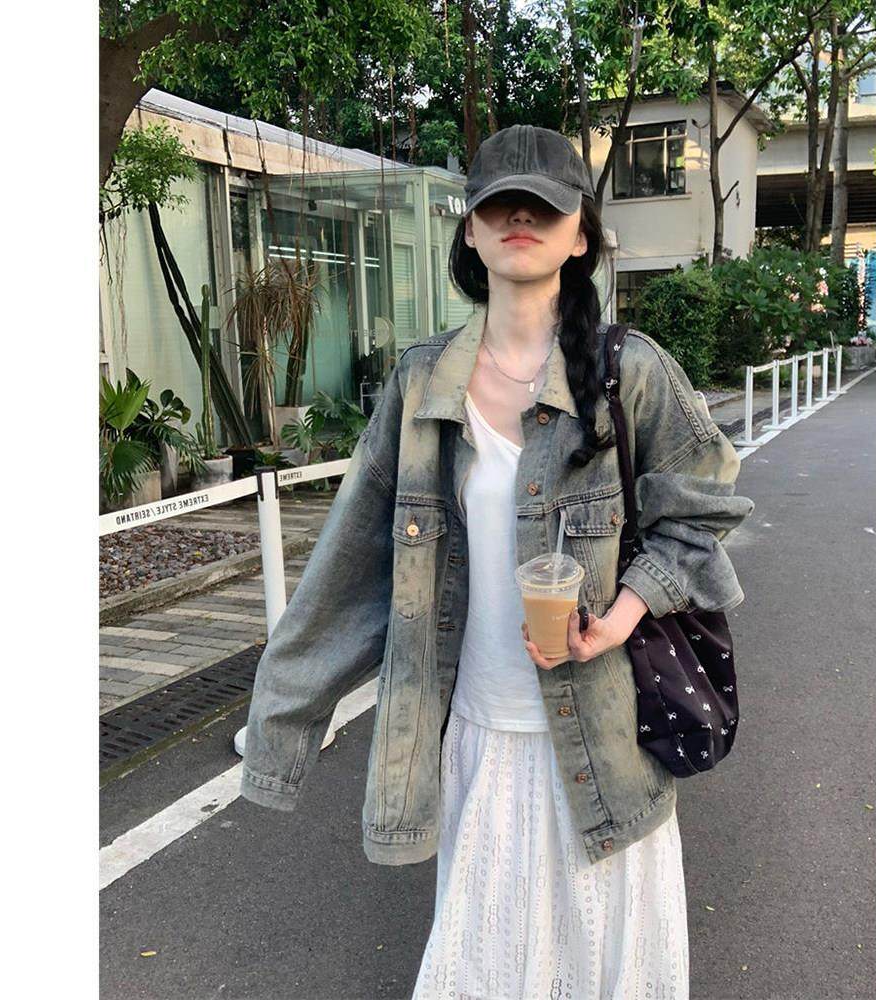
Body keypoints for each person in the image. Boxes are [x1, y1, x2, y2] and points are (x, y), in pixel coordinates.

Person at [239, 124, 754, 1000]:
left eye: (543, 206)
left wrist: (621, 616)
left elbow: (703, 509)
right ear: (471, 232)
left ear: (581, 235)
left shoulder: (630, 373)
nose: (520, 218)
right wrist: (283, 722)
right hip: (478, 743)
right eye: (498, 205)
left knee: (603, 973)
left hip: (606, 749)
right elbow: (348, 569)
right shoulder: (420, 388)